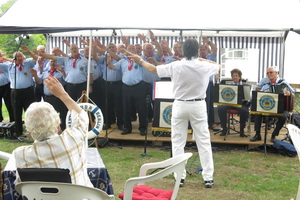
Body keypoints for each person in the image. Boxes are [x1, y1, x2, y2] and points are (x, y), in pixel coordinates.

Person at [129, 38, 220, 188]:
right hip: (198, 105)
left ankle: (180, 176)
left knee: (178, 142)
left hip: (180, 105)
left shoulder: (175, 65)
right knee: (203, 141)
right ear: (197, 51)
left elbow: (153, 69)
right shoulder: (204, 66)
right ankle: (208, 177)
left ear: (183, 51)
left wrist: (140, 60)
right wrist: (201, 58)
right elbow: (218, 66)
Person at [13, 76, 93, 188]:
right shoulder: (72, 138)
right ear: (58, 126)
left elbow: (21, 188)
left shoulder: (20, 154)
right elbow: (81, 116)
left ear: (30, 132)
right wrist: (63, 95)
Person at [0, 46, 39, 138]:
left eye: (21, 56)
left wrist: (29, 51)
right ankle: (18, 132)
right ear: (14, 58)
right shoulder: (9, 66)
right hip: (15, 92)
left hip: (28, 91)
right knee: (16, 112)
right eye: (18, 57)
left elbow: (36, 58)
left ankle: (32, 131)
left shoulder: (28, 63)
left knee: (29, 111)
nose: (20, 58)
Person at [250, 66, 295, 142]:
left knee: (283, 116)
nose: (269, 74)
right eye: (267, 73)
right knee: (257, 113)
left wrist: (289, 93)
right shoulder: (265, 85)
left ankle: (274, 134)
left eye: (271, 72)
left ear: (277, 73)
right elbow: (259, 93)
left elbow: (293, 93)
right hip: (267, 107)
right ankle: (257, 134)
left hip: (281, 108)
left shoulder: (283, 83)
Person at [217, 68, 249, 137]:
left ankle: (241, 130)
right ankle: (224, 129)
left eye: (236, 75)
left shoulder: (244, 85)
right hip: (230, 103)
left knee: (244, 110)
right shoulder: (228, 86)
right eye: (233, 76)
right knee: (220, 108)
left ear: (239, 76)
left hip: (240, 104)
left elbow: (247, 98)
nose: (234, 77)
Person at [199, 37, 219, 131]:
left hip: (209, 84)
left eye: (204, 49)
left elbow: (215, 49)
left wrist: (209, 42)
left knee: (209, 104)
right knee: (200, 104)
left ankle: (210, 123)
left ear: (207, 50)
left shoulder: (211, 57)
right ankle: (200, 123)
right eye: (201, 49)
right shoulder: (196, 59)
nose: (202, 51)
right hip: (198, 84)